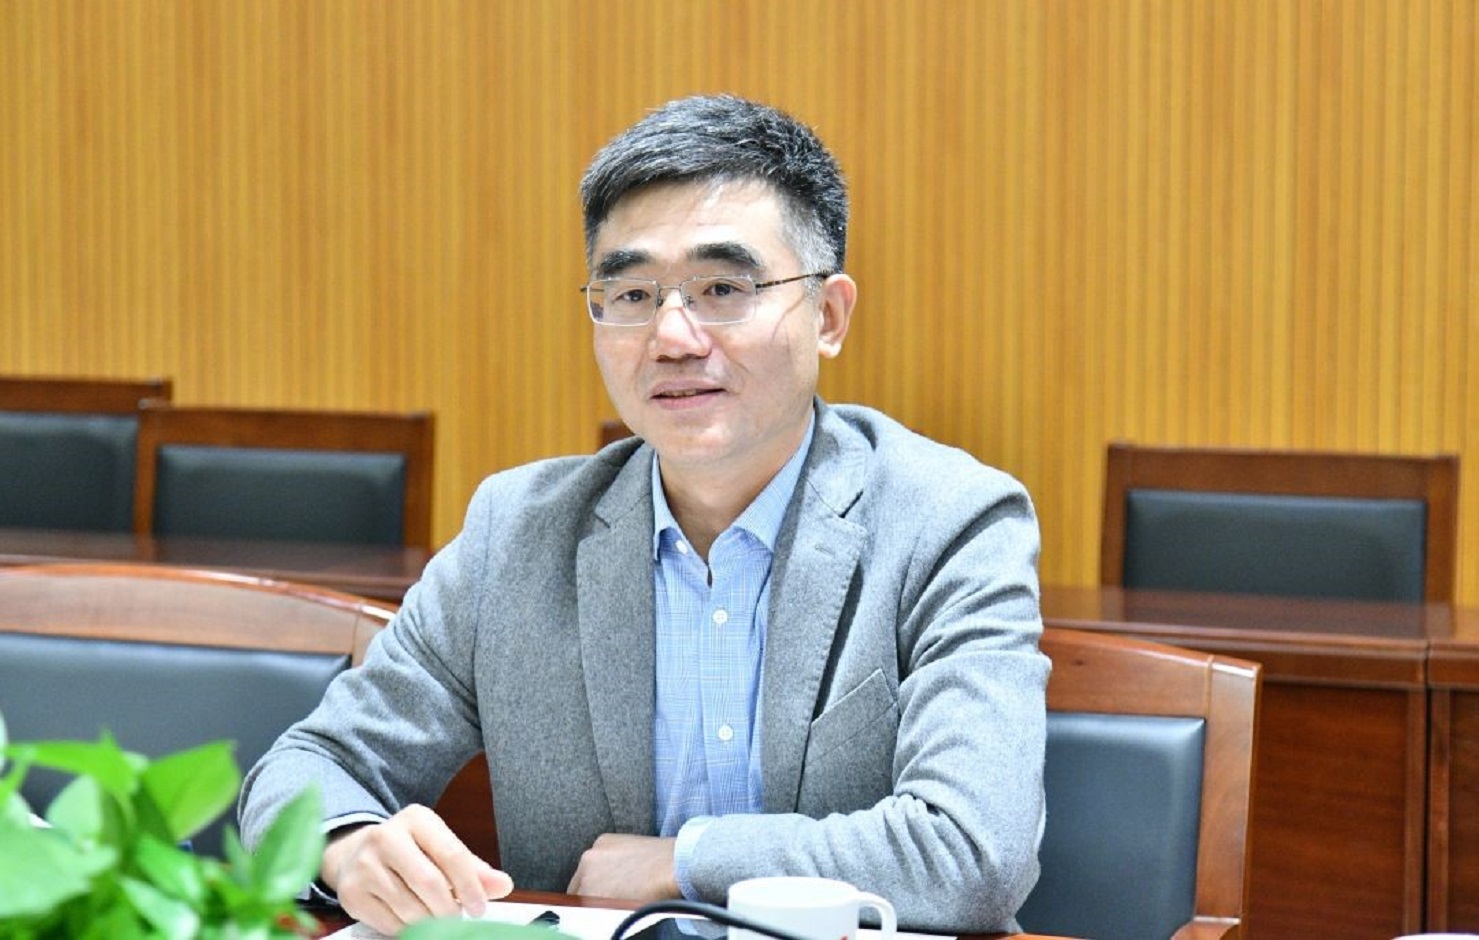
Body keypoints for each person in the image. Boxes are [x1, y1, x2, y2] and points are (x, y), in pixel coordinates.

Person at [239, 93, 1049, 936]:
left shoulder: (948, 521)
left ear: (829, 315)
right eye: (630, 293)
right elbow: (309, 765)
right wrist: (347, 843)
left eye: (722, 288)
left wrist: (685, 862)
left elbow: (973, 851)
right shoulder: (517, 533)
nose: (672, 337)